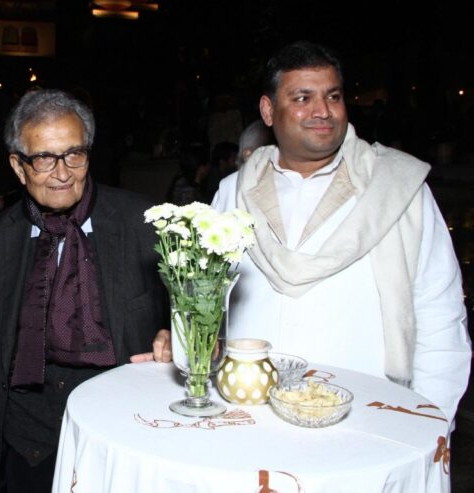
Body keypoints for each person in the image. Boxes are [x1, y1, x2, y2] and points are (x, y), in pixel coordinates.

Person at [201, 41, 469, 423]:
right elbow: (206, 300)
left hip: (369, 412)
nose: (322, 111)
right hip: (248, 410)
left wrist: (430, 417)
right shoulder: (233, 191)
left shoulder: (398, 187)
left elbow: (438, 310)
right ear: (268, 110)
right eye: (303, 97)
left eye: (333, 96)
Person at [0, 89, 168, 493]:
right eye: (43, 158)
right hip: (27, 448)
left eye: (74, 154)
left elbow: (195, 316)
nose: (62, 173)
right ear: (18, 166)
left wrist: (176, 338)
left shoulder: (143, 223)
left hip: (126, 437)